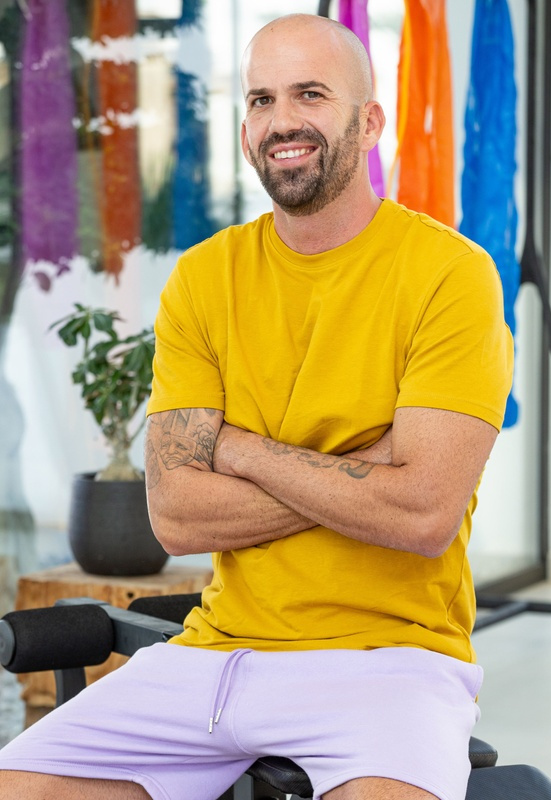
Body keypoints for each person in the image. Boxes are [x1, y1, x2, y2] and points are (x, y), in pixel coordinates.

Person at [0, 13, 513, 800]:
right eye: (261, 99)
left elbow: (421, 514)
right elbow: (177, 516)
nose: (282, 121)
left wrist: (236, 449)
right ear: (245, 129)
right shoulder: (206, 279)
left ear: (369, 122)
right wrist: (366, 471)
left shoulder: (451, 275)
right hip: (213, 656)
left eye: (311, 94)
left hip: (389, 662)